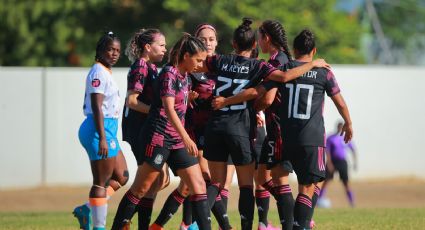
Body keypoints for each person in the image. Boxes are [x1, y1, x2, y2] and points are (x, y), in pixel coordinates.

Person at [201, 18, 330, 230]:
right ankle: (289, 219)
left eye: (261, 37)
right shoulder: (263, 63)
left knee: (272, 179)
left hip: (270, 127)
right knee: (258, 180)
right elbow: (272, 85)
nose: (259, 43)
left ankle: (295, 220)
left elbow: (267, 97)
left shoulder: (229, 60)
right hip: (247, 128)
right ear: (252, 44)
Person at [112, 33, 211, 230]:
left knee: (198, 185)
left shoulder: (185, 77)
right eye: (198, 60)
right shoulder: (169, 74)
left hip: (176, 140)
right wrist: (186, 137)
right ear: (186, 56)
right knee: (141, 189)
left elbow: (177, 105)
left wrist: (188, 101)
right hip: (158, 137)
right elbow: (167, 108)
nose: (200, 65)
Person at [267, 29, 353, 229]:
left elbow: (267, 97)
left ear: (294, 50)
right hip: (311, 138)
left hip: (286, 136)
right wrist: (348, 123)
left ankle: (294, 224)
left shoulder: (285, 69)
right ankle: (299, 225)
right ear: (313, 51)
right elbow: (339, 102)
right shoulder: (324, 72)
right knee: (307, 188)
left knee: (281, 180)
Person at [149, 23, 231, 230]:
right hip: (195, 130)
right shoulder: (190, 69)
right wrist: (191, 100)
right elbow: (176, 102)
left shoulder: (222, 66)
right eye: (203, 39)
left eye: (212, 39)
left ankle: (175, 225)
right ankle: (214, 226)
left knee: (188, 187)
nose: (208, 43)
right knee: (206, 180)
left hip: (218, 129)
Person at [74, 31, 129, 230]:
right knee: (101, 182)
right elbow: (97, 106)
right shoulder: (98, 71)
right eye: (110, 49)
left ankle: (87, 209)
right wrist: (103, 138)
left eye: (117, 50)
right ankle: (98, 227)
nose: (114, 53)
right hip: (99, 128)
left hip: (107, 129)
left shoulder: (105, 71)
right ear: (100, 50)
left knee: (122, 176)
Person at [121, 28, 170, 230]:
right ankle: (124, 221)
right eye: (161, 45)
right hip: (139, 130)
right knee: (148, 181)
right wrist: (156, 111)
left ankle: (138, 223)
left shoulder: (149, 66)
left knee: (159, 180)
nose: (165, 49)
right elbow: (132, 101)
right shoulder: (140, 66)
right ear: (148, 47)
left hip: (146, 129)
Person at [318, 122, 357, 208]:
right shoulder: (331, 138)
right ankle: (319, 200)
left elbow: (353, 149)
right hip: (333, 162)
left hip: (342, 162)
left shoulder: (345, 137)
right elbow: (327, 151)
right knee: (326, 181)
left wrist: (355, 162)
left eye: (342, 127)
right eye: (339, 127)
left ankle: (352, 203)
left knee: (346, 183)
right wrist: (329, 163)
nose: (340, 129)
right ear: (337, 127)